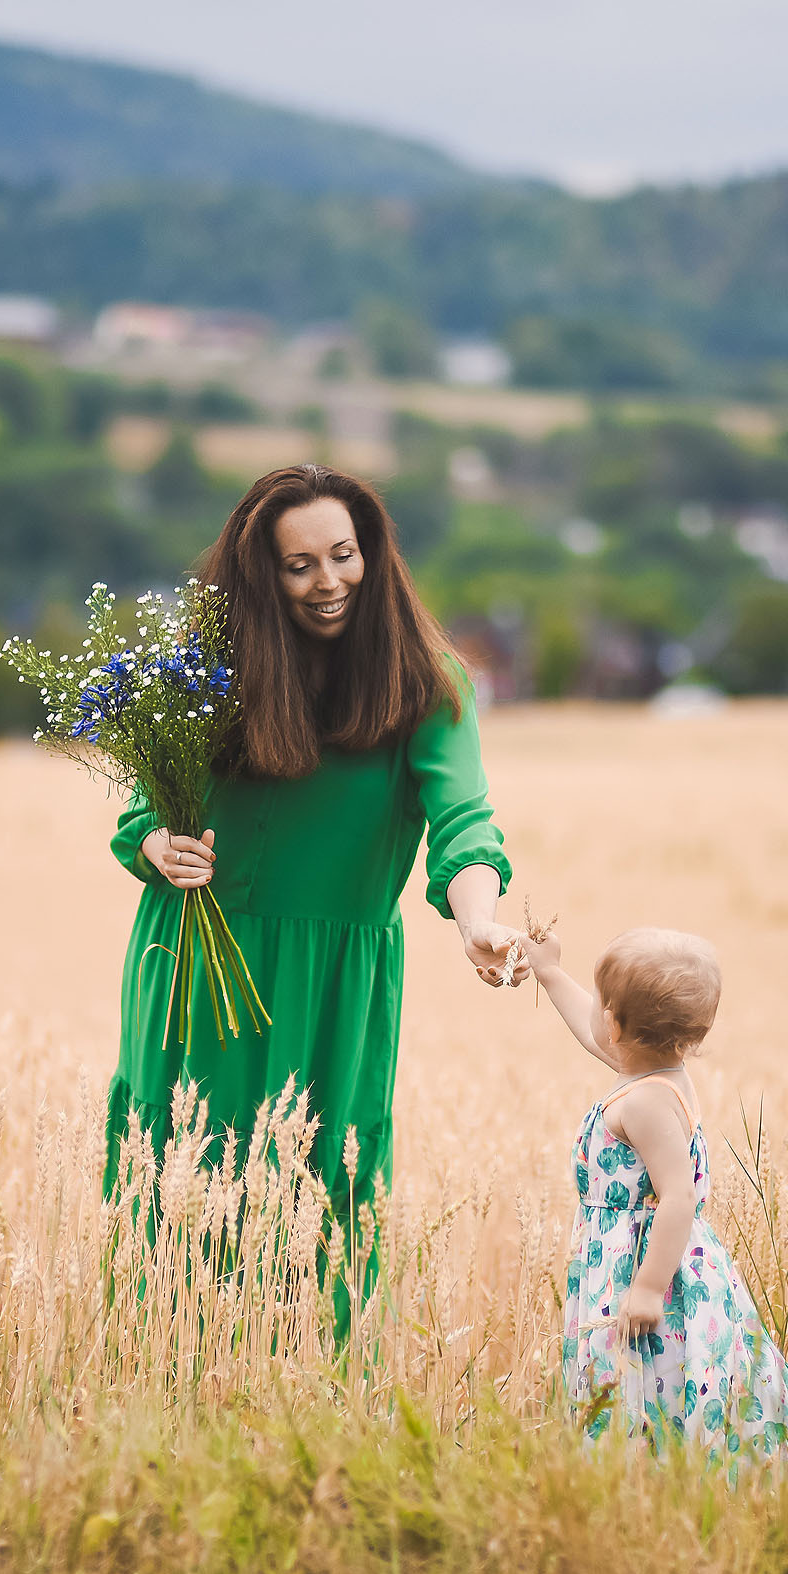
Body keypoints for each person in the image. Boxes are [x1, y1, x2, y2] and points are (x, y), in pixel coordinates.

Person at [108, 463, 518, 1218]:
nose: (329, 581)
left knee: (317, 1205)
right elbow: (142, 814)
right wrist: (159, 848)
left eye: (343, 554)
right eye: (299, 565)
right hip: (196, 964)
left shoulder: (428, 684)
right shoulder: (209, 668)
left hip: (334, 986)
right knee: (177, 1193)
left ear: (372, 554)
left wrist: (478, 922)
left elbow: (465, 822)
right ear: (262, 577)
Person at [518, 924, 788, 1474]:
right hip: (638, 1261)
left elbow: (678, 1196)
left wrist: (647, 1288)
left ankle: (647, 1476)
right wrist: (549, 972)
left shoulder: (645, 1104)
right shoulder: (657, 1072)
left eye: (600, 1004)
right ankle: (645, 1476)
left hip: (645, 1269)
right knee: (643, 1381)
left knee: (647, 1379)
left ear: (616, 1024)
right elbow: (597, 1038)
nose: (596, 1016)